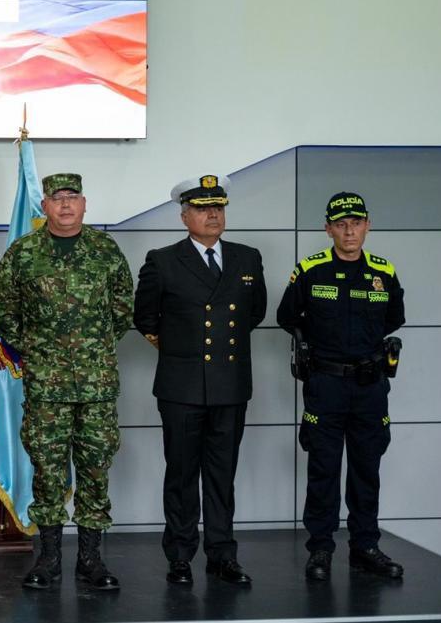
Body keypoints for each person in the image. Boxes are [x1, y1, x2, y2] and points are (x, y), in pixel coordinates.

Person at [0, 173, 133, 591]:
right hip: (46, 385)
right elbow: (7, 311)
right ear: (46, 206)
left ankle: (91, 560)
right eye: (57, 198)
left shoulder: (105, 251)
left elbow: (124, 309)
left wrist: (91, 348)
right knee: (48, 471)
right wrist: (38, 349)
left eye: (73, 198)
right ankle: (49, 559)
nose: (66, 205)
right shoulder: (23, 253)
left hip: (96, 384)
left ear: (84, 204)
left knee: (95, 469)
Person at [133, 174, 266, 586]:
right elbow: (145, 318)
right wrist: (182, 350)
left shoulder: (247, 257)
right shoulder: (163, 260)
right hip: (181, 386)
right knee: (182, 474)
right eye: (203, 208)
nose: (213, 214)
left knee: (223, 475)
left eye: (219, 207)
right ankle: (179, 555)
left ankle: (222, 555)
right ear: (183, 216)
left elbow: (254, 314)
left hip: (230, 384)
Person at [277, 192, 405, 581]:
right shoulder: (311, 270)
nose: (349, 231)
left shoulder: (383, 271)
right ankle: (320, 549)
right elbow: (287, 315)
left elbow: (393, 318)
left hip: (369, 386)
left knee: (367, 468)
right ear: (328, 228)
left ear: (367, 225)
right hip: (326, 385)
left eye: (357, 223)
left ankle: (365, 546)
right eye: (341, 224)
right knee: (324, 469)